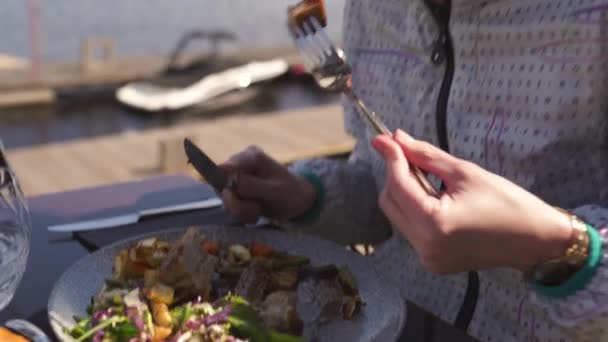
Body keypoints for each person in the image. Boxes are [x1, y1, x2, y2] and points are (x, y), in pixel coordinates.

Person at [220, 0, 608, 341]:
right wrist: (306, 197)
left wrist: (551, 246)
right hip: (386, 319)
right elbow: (381, 194)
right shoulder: (372, 10)